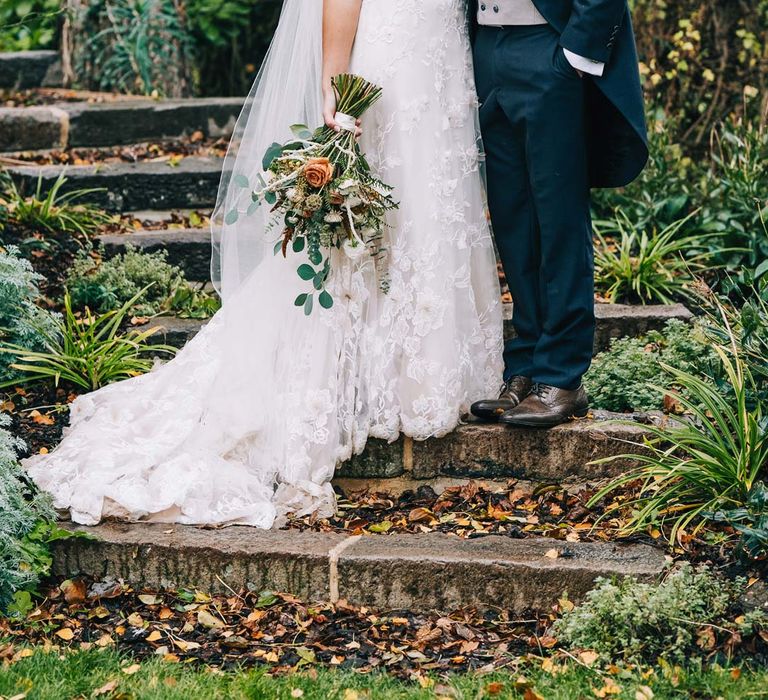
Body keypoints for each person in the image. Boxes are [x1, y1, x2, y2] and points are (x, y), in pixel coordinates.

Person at [24, 0, 504, 528]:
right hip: (391, 56)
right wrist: (335, 78)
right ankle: (363, 377)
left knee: (428, 206)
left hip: (440, 57)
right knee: (384, 213)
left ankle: (418, 371)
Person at [469, 0, 648, 428]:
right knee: (513, 221)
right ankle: (527, 365)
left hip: (547, 46)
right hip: (486, 47)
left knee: (558, 219)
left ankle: (562, 375)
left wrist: (574, 55)